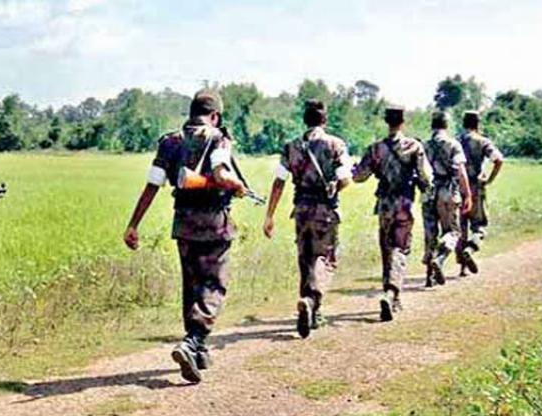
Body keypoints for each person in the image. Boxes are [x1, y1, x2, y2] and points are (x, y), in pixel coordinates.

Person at [123, 90, 247, 383]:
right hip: (214, 222)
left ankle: (198, 349)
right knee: (213, 285)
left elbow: (153, 184)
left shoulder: (170, 142)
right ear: (215, 115)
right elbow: (220, 174)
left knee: (191, 285)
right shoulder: (218, 137)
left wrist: (133, 225)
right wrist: (237, 186)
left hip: (184, 222)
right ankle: (192, 341)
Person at [262, 99, 352, 338]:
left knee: (306, 259)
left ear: (305, 120)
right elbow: (345, 178)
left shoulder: (291, 147)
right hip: (325, 210)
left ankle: (310, 306)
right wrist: (334, 187)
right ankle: (311, 302)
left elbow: (279, 181)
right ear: (324, 120)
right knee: (326, 258)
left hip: (301, 209)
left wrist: (269, 215)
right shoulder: (335, 144)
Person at [352, 106, 432, 322]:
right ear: (403, 122)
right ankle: (391, 293)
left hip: (384, 205)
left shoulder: (375, 149)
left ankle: (391, 293)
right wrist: (424, 187)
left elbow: (359, 177)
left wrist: (354, 168)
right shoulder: (414, 146)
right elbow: (426, 177)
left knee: (386, 248)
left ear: (386, 122)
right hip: (404, 203)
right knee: (400, 248)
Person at [422, 111, 472, 287]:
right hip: (448, 192)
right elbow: (461, 171)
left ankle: (429, 276)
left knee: (430, 234)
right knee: (453, 232)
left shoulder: (424, 146)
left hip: (428, 193)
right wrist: (467, 194)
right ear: (447, 125)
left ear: (432, 125)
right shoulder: (453, 145)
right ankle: (440, 259)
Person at [456, 110, 504, 275]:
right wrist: (489, 180)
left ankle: (462, 267)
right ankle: (470, 248)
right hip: (476, 188)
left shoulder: (456, 142)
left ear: (463, 123)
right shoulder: (483, 142)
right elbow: (498, 160)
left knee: (460, 228)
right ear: (478, 123)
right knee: (479, 226)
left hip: (458, 188)